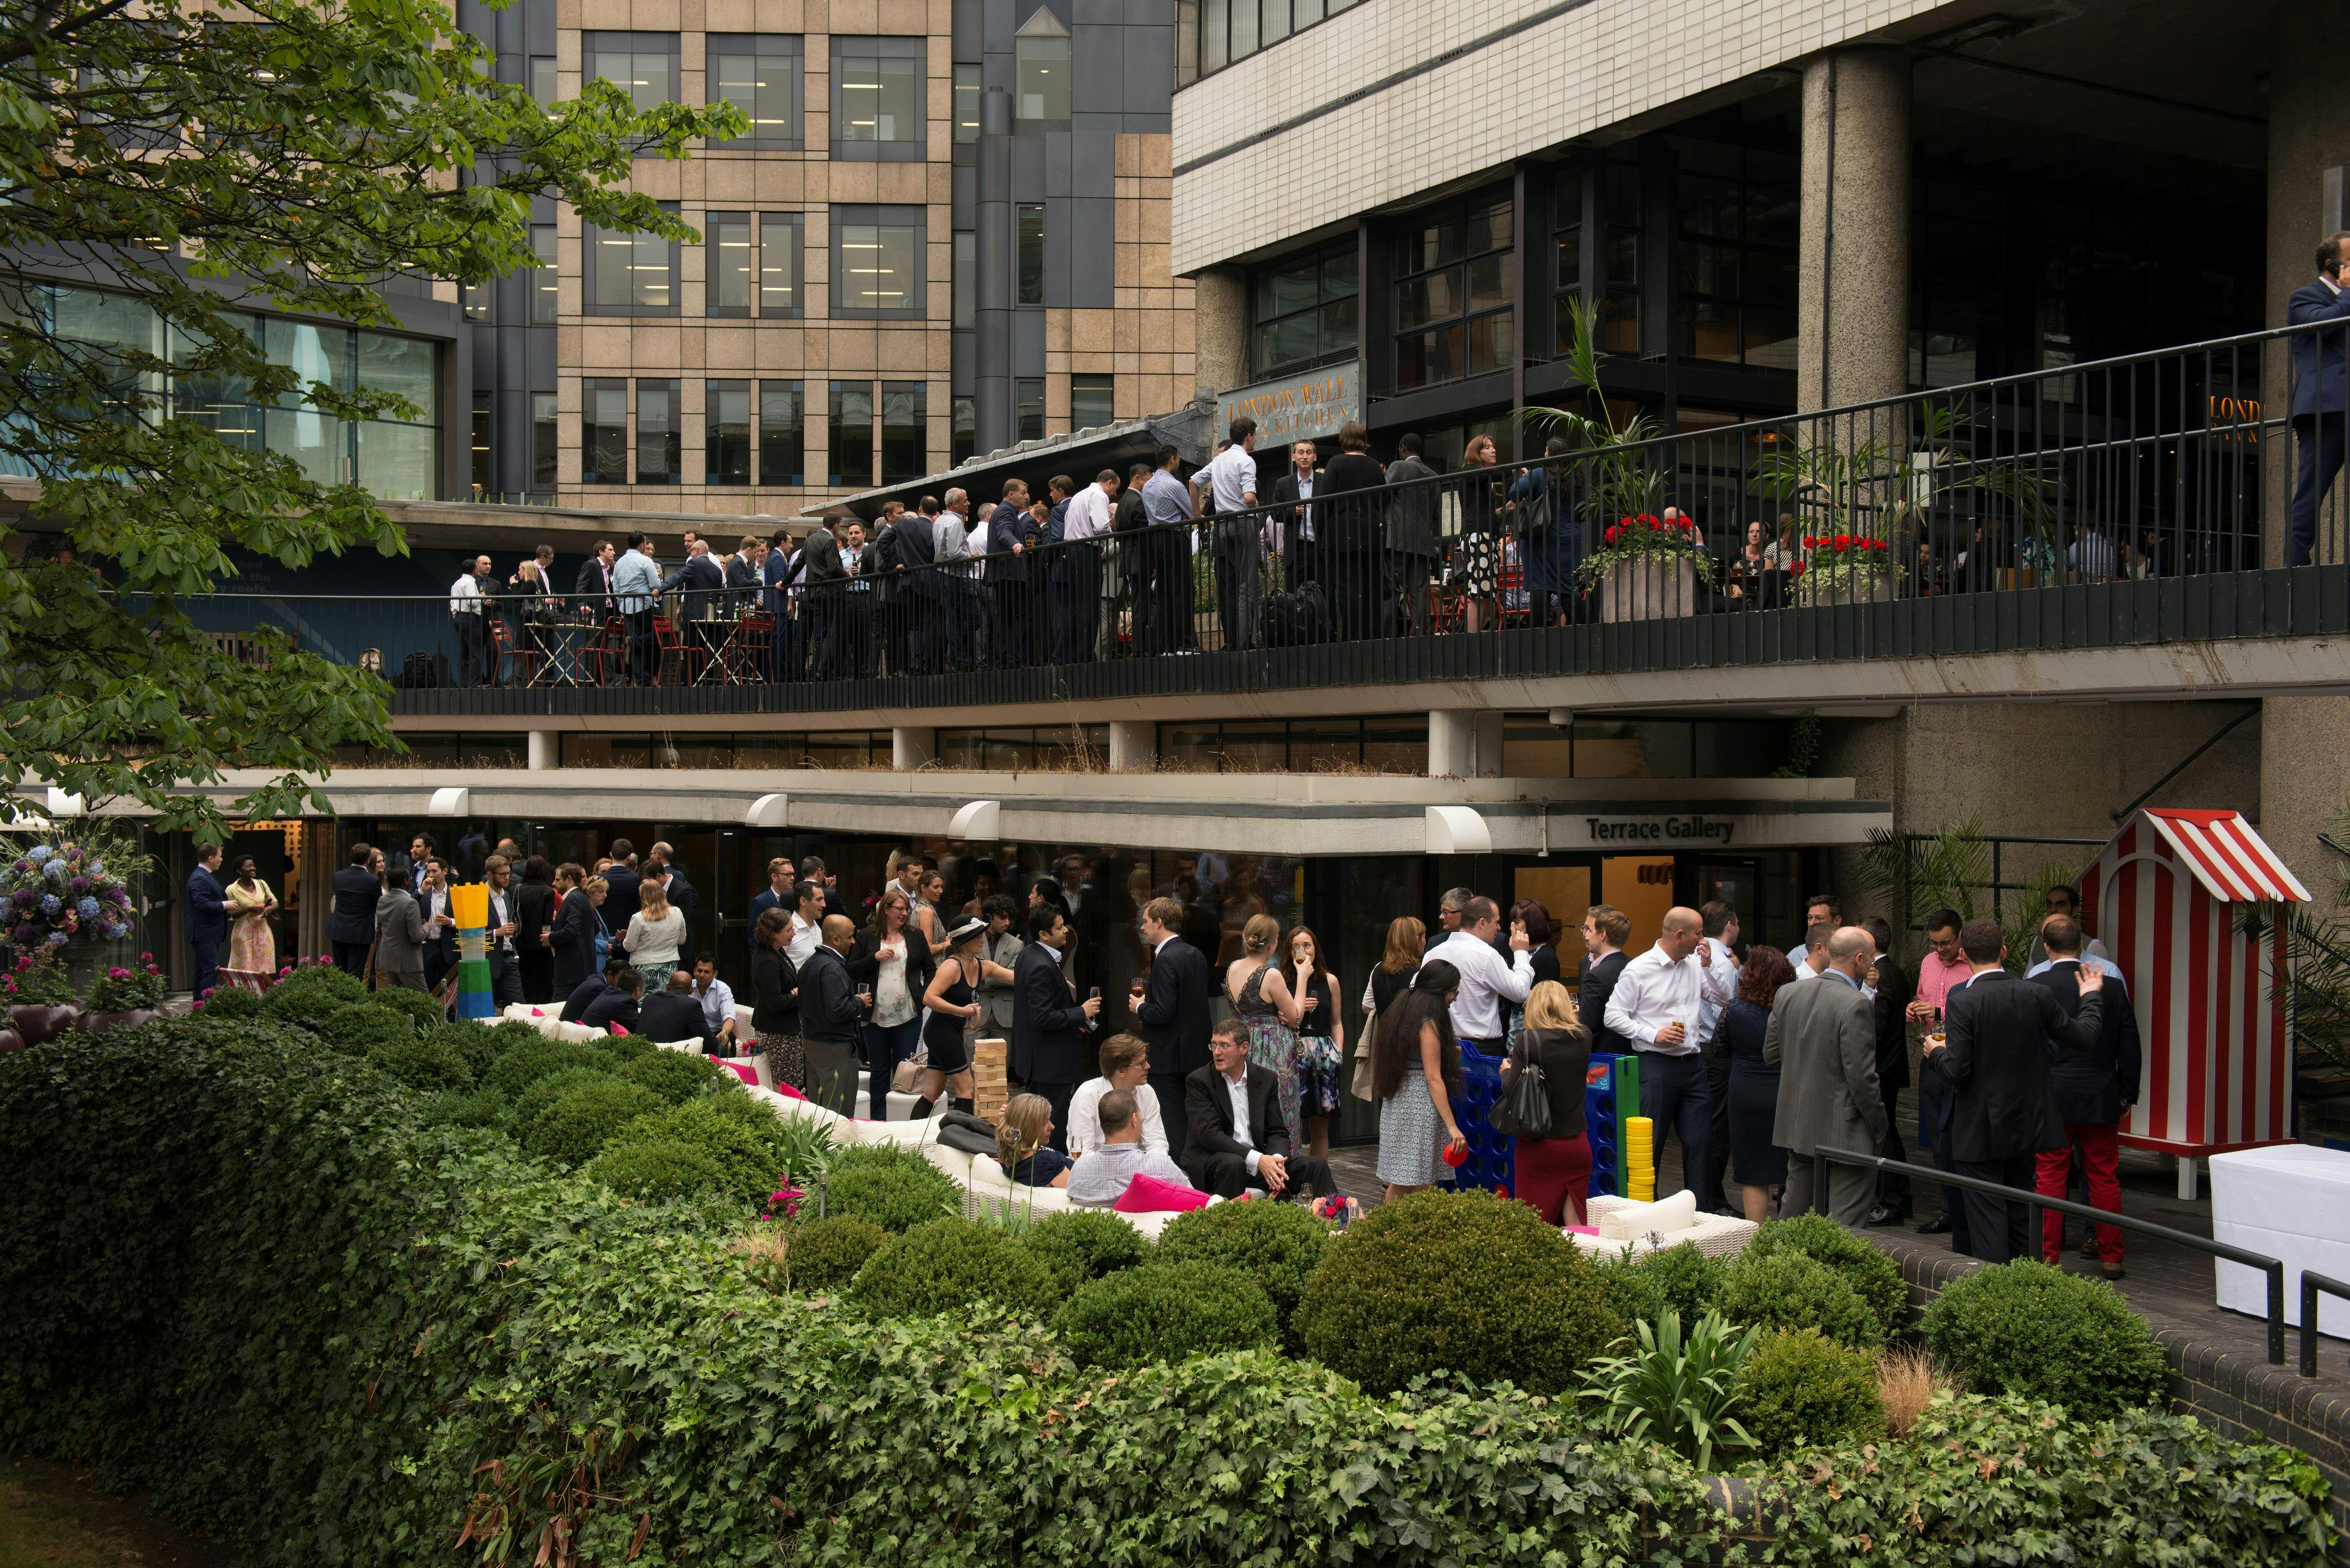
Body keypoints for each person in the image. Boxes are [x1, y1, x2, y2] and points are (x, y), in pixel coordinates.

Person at [1923, 916, 2107, 1264]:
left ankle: (1996, 1301)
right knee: (2022, 1214)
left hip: (1979, 1130)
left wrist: (1935, 1054)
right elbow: (2084, 1036)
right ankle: (2026, 1287)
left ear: (1963, 953)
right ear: (2004, 951)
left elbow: (1956, 1070)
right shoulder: (2037, 994)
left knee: (1987, 1219)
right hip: (2026, 1125)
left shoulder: (1964, 1001)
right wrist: (2090, 996)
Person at [2029, 914, 2141, 1279]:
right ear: (2082, 946)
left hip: (2052, 1095)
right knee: (2104, 1175)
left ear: (2046, 948)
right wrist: (2127, 1094)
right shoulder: (2110, 987)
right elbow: (2130, 1046)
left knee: (2049, 1175)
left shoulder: (2037, 985)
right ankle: (2112, 1256)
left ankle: (2047, 1258)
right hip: (2099, 1094)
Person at [1604, 906, 1734, 1203]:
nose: (1703, 938)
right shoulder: (1639, 968)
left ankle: (1702, 1212)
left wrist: (1708, 965)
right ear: (1680, 935)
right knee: (1652, 1143)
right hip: (1655, 1065)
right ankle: (1647, 1209)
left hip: (1693, 1063)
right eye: (1698, 933)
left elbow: (1724, 998)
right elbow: (1613, 1015)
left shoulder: (1693, 965)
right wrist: (1653, 1034)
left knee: (1701, 1142)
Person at [1764, 926, 1888, 1227]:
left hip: (1798, 1121)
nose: (1873, 965)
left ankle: (1781, 1269)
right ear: (1859, 959)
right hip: (1844, 1129)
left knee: (1793, 1217)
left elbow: (1770, 1054)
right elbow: (1861, 1077)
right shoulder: (1856, 1003)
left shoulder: (1788, 992)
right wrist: (1879, 1123)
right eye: (1871, 959)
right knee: (1846, 1225)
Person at [1182, 1017, 1337, 1200]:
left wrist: (1276, 1161)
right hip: (1214, 1160)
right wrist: (1259, 1160)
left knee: (1315, 1166)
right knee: (1234, 1163)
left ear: (1244, 1048)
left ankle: (1333, 1221)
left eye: (1224, 1046)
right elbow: (1210, 1135)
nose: (1217, 1052)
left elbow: (1277, 1131)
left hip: (1257, 1162)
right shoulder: (1199, 1081)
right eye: (1213, 1045)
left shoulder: (1265, 1079)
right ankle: (1230, 1224)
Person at [1371, 961, 1468, 1200]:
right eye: (1453, 992)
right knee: (1421, 1184)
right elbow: (1433, 1078)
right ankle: (1408, 1233)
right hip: (1419, 1103)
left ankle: (1390, 1230)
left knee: (1401, 1181)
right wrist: (1452, 1127)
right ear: (1440, 990)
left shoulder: (1404, 1006)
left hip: (1399, 1098)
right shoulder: (1429, 1021)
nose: (1454, 998)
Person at [1502, 979, 1593, 1224]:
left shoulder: (1527, 1040)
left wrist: (1504, 1071)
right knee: (1576, 1224)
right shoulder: (1584, 1036)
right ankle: (1588, 1261)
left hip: (1539, 1145)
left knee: (1534, 1225)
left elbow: (1511, 1089)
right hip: (1576, 1144)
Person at [1904, 908, 1971, 1239]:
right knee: (1937, 1140)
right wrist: (1915, 1008)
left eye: (1946, 943)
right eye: (1935, 943)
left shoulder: (1973, 963)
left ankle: (1965, 1211)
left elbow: (1973, 1009)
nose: (1941, 949)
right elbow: (1922, 996)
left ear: (1959, 936)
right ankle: (1948, 1210)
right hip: (1931, 1056)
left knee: (1961, 1137)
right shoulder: (1929, 962)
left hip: (1961, 1059)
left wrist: (1941, 1011)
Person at [1130, 894, 1211, 1162]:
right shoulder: (1196, 954)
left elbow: (1163, 1012)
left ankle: (1181, 1179)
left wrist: (1140, 1007)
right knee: (1192, 1122)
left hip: (1168, 1058)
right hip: (1196, 1053)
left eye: (1146, 921)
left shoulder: (1165, 960)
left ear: (1160, 922)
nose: (1142, 928)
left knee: (1173, 1125)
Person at [2287, 231, 2350, 568]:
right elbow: (2320, 325)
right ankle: (2296, 563)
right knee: (2313, 485)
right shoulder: (2305, 297)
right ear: (2333, 264)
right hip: (2327, 408)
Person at [1011, 904, 1097, 1149]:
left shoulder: (1029, 954)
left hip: (1039, 1058)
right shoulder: (1040, 964)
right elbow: (1042, 1017)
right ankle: (1049, 1168)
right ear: (1044, 935)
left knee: (1037, 1119)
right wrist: (1082, 1012)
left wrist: (1074, 1019)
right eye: (1059, 928)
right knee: (1050, 1124)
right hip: (1049, 1061)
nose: (1066, 931)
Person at [1720, 945, 1796, 1221]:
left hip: (1745, 1091)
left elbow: (1719, 1048)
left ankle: (1755, 1239)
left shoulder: (1734, 1008)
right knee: (1793, 1166)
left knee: (1752, 1170)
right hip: (1785, 1090)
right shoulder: (1792, 1009)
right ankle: (1791, 1237)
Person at [1224, 913, 1308, 1150]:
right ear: (1272, 944)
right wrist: (1302, 978)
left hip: (1243, 1047)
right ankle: (1284, 1167)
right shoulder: (1270, 975)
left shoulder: (1231, 969)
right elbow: (1296, 1018)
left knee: (1249, 1111)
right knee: (1281, 1111)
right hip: (1273, 1051)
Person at [849, 887, 930, 1121]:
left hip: (908, 1016)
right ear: (886, 909)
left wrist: (923, 997)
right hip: (875, 1017)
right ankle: (878, 1121)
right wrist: (873, 958)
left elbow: (931, 969)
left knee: (905, 1072)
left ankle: (901, 1120)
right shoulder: (866, 936)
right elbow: (851, 969)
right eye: (899, 909)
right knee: (879, 1071)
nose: (904, 913)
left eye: (907, 909)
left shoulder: (915, 936)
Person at [919, 916, 1010, 1119]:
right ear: (966, 940)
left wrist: (1051, 975)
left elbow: (1016, 977)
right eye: (978, 936)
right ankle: (960, 1141)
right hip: (940, 1032)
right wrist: (963, 1011)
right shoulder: (951, 966)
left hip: (948, 1032)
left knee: (932, 1093)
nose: (983, 940)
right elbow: (929, 998)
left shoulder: (982, 966)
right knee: (967, 1088)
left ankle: (911, 1136)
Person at [1425, 896, 1533, 1053]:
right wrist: (1521, 953)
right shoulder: (1487, 955)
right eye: (1496, 922)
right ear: (1482, 923)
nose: (1499, 928)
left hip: (1442, 1044)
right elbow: (1521, 992)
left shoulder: (1433, 954)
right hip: (1482, 1048)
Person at [1313, 420, 1388, 643]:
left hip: (1342, 536)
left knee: (1348, 589)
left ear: (1343, 439)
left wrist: (1321, 534)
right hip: (1372, 535)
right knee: (1372, 588)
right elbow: (1383, 499)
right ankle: (1373, 637)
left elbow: (1323, 502)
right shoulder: (1374, 465)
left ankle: (1352, 638)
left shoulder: (1336, 463)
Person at [1861, 915, 1914, 1226]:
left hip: (1882, 1068)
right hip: (1889, 1066)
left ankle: (1894, 1202)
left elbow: (1875, 1027)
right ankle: (1898, 1200)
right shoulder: (1891, 970)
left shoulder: (1881, 974)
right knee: (1887, 1132)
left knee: (1885, 1134)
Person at [1693, 900, 1741, 1214]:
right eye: (1738, 923)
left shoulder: (1706, 957)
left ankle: (1708, 1193)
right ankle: (1713, 1197)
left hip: (1702, 1048)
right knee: (1717, 1127)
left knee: (1707, 1124)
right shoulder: (1721, 962)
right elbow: (1729, 1006)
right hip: (1715, 1049)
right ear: (1730, 925)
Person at [1066, 1088, 1194, 1205]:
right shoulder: (1160, 1167)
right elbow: (1197, 1202)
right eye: (1139, 1113)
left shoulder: (1078, 1172)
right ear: (1134, 1120)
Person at [1285, 923, 1344, 1160]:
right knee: (1289, 1122)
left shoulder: (1330, 981)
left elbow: (1337, 1022)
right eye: (1295, 946)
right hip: (1292, 1053)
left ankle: (1319, 1181)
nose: (1302, 951)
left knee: (1320, 1127)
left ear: (1315, 949)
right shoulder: (1281, 980)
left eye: (1306, 945)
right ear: (1288, 952)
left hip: (1323, 1056)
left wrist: (1338, 1053)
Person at [799, 916, 868, 1115]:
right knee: (838, 1110)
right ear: (836, 940)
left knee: (817, 1107)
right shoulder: (831, 968)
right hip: (834, 1046)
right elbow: (837, 1011)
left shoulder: (811, 963)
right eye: (850, 937)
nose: (854, 942)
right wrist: (859, 1002)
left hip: (813, 1042)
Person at [1066, 1033, 1169, 1156]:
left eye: (1146, 1060)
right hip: (1096, 1170)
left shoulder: (1146, 1091)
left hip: (1134, 1166)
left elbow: (1157, 1142)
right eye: (1141, 1063)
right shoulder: (1087, 1095)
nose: (1148, 1066)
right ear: (1121, 1070)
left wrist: (1150, 1167)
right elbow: (1082, 1153)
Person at [1138, 445, 1196, 656]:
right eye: (1178, 459)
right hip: (1174, 537)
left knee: (1164, 594)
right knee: (1182, 590)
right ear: (1172, 459)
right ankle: (1186, 644)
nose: (1179, 462)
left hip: (1155, 539)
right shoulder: (1174, 484)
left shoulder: (1148, 485)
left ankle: (1167, 646)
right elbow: (1191, 513)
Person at [1385, 433, 1442, 637]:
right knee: (1419, 592)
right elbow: (1436, 514)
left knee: (1391, 587)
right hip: (1422, 541)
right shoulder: (1434, 475)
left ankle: (1388, 633)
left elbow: (1382, 495)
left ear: (1402, 448)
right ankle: (1420, 634)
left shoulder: (1398, 467)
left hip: (1398, 538)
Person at [1453, 433, 1504, 633]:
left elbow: (1482, 512)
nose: (1494, 450)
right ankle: (1473, 638)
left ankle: (1476, 636)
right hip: (1478, 536)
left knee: (1487, 592)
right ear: (1477, 452)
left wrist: (1503, 511)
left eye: (1493, 446)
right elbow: (1497, 474)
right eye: (1488, 447)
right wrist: (1518, 469)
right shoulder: (1472, 471)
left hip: (1485, 535)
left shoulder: (1481, 477)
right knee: (1479, 591)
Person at [749, 907, 802, 1088]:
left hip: (785, 1030)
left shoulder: (777, 951)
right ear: (772, 934)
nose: (793, 933)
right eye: (789, 930)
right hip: (777, 1034)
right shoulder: (767, 960)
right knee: (785, 1086)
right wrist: (799, 994)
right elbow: (775, 1003)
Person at [988, 479, 1038, 668]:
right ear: (1011, 494)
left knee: (1006, 618)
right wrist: (1015, 543)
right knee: (1019, 616)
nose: (1026, 496)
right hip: (1010, 573)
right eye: (1023, 493)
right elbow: (1004, 531)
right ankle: (1014, 660)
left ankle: (1006, 660)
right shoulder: (1006, 511)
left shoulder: (1002, 510)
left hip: (1004, 573)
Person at [1577, 904, 1632, 1056]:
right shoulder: (1634, 965)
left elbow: (1589, 1027)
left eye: (1589, 929)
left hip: (1602, 1056)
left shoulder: (1596, 975)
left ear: (1603, 935)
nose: (1585, 935)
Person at [619, 877, 686, 997]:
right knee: (666, 1001)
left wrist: (623, 940)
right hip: (669, 967)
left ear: (643, 897)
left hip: (644, 967)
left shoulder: (638, 918)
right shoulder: (677, 912)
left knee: (644, 1003)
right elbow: (682, 940)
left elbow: (629, 947)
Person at [1270, 439, 1321, 592]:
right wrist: (1293, 511)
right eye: (1301, 453)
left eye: (1308, 453)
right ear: (1294, 457)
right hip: (1296, 550)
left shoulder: (1324, 481)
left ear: (1315, 457)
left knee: (1322, 596)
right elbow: (1274, 513)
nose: (1305, 456)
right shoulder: (1283, 484)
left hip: (1320, 549)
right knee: (1295, 597)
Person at [222, 854, 278, 991]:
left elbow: (275, 903)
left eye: (253, 865)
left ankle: (265, 994)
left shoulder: (261, 884)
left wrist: (268, 909)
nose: (253, 868)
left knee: (265, 966)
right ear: (239, 871)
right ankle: (247, 995)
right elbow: (229, 914)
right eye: (248, 866)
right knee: (245, 968)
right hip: (243, 933)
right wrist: (248, 909)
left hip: (263, 931)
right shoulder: (231, 889)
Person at [994, 1093, 1073, 1189]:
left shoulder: (1008, 1158)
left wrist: (1014, 1115)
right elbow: (1077, 1193)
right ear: (1029, 1128)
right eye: (1045, 1122)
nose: (1052, 1127)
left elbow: (1018, 1128)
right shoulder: (1046, 1164)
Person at [613, 533, 662, 685]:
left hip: (627, 608)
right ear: (642, 544)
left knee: (637, 648)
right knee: (658, 636)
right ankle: (634, 641)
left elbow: (616, 589)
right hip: (644, 605)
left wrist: (622, 603)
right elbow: (656, 584)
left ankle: (642, 682)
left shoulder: (619, 563)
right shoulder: (645, 561)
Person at [372, 859, 427, 994]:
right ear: (406, 881)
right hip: (408, 961)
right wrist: (427, 928)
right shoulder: (410, 903)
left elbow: (378, 931)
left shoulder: (382, 900)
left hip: (387, 958)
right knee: (424, 1000)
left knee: (393, 1001)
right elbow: (416, 936)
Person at [975, 893, 1024, 1041]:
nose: (1007, 923)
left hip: (1005, 1014)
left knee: (1002, 1062)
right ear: (990, 917)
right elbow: (966, 971)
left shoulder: (1016, 944)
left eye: (1009, 918)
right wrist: (1003, 975)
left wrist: (984, 978)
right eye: (1002, 918)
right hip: (977, 1010)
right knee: (972, 1060)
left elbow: (1015, 977)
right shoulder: (973, 939)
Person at [550, 865, 603, 1000]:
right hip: (581, 967)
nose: (554, 883)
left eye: (558, 879)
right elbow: (594, 927)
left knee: (559, 1008)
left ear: (569, 879)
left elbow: (571, 930)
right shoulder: (582, 898)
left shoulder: (574, 898)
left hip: (571, 969)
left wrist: (550, 937)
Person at [328, 842, 380, 979]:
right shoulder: (373, 881)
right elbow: (378, 905)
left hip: (338, 929)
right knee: (355, 973)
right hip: (360, 931)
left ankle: (338, 999)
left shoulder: (338, 876)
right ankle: (351, 1000)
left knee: (340, 970)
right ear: (368, 859)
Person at [2026, 884, 2110, 967]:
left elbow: (2104, 978)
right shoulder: (2038, 941)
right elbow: (2027, 978)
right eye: (2049, 904)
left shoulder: (2093, 946)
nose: (2053, 909)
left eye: (2061, 904)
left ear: (2074, 910)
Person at [481, 854, 526, 1007]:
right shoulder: (478, 896)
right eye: (502, 874)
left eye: (508, 873)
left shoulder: (506, 895)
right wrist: (496, 933)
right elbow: (469, 933)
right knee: (486, 1008)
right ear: (489, 875)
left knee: (519, 1007)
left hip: (509, 960)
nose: (507, 878)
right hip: (487, 960)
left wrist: (515, 954)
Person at [512, 855, 557, 1004]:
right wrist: (547, 937)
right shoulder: (547, 892)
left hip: (521, 941)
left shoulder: (516, 889)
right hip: (541, 943)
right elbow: (547, 920)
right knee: (544, 980)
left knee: (526, 978)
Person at [448, 554, 494, 687]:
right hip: (469, 618)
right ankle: (474, 684)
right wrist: (481, 597)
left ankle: (464, 683)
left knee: (464, 652)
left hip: (459, 618)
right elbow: (472, 602)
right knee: (476, 653)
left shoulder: (457, 583)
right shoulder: (470, 583)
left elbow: (453, 602)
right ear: (475, 570)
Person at [641, 969, 713, 1048]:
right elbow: (710, 1043)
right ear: (691, 990)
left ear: (668, 986)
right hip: (671, 1054)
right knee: (722, 1050)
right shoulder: (692, 1004)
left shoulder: (648, 999)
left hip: (642, 1051)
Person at [418, 859, 457, 993]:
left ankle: (448, 1014)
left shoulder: (455, 894)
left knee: (447, 986)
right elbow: (410, 906)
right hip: (427, 945)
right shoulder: (424, 893)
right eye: (428, 871)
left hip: (447, 946)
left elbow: (466, 921)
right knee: (427, 985)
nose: (431, 875)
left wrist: (450, 922)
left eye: (434, 871)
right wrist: (421, 891)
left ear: (445, 871)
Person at [562, 955, 634, 1024]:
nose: (624, 983)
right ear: (610, 975)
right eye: (622, 979)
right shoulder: (598, 988)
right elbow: (612, 1013)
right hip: (571, 1028)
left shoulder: (597, 979)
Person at [690, 956, 737, 1052]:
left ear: (715, 974)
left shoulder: (723, 989)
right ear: (695, 971)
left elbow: (729, 1017)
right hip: (692, 1033)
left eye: (707, 972)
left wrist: (724, 1032)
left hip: (715, 1033)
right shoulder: (687, 986)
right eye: (699, 971)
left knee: (726, 1044)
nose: (702, 975)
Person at [747, 857, 796, 949]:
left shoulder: (795, 899)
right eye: (788, 875)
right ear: (774, 877)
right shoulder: (760, 901)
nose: (792, 878)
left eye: (793, 874)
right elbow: (754, 936)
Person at [579, 967, 644, 1033]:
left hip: (583, 1036)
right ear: (638, 990)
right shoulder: (624, 1003)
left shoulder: (609, 992)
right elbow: (640, 1029)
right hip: (591, 1040)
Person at [601, 838, 642, 928]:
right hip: (630, 929)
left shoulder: (599, 879)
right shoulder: (637, 879)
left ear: (611, 855)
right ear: (629, 857)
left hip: (605, 930)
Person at [573, 539, 618, 619]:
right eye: (610, 550)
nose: (614, 553)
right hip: (595, 610)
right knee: (596, 632)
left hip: (608, 610)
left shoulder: (606, 568)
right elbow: (581, 585)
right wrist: (583, 604)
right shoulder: (591, 565)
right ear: (601, 551)